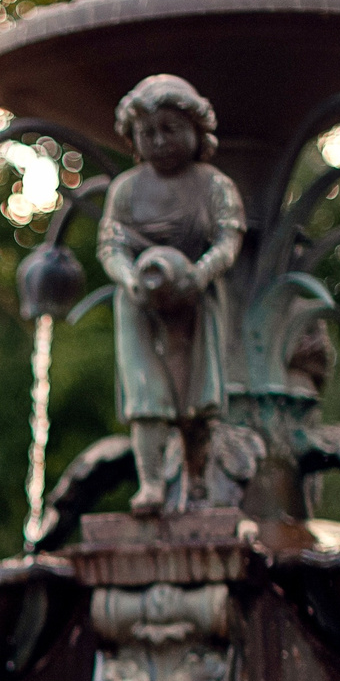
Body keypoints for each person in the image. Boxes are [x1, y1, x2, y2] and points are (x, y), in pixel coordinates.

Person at [96, 74, 249, 516]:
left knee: (196, 398)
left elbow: (228, 239)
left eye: (170, 129)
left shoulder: (214, 184)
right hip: (140, 301)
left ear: (196, 132)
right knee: (145, 393)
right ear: (134, 140)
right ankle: (150, 486)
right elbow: (111, 244)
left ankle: (197, 480)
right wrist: (128, 279)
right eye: (148, 133)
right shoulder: (126, 190)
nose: (159, 141)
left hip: (197, 300)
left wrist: (199, 275)